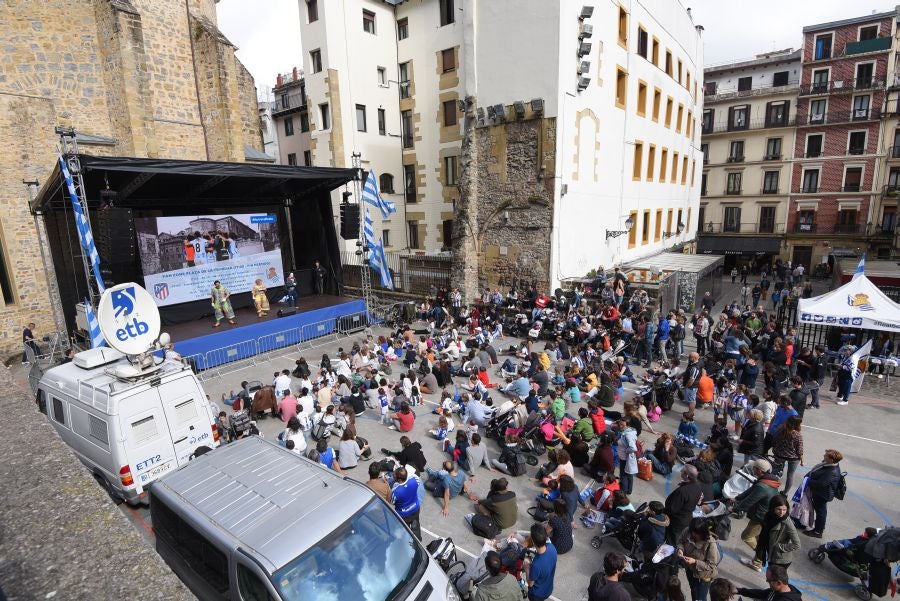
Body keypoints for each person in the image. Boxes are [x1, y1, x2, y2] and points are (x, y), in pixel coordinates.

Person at [731, 459, 781, 552]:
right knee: (759, 538)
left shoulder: (762, 486)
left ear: (759, 470)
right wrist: (737, 498)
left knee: (746, 537)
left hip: (760, 517)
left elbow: (748, 502)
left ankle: (761, 555)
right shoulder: (768, 480)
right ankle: (758, 561)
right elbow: (750, 491)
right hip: (767, 515)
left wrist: (734, 509)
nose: (752, 469)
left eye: (754, 467)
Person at [742, 494, 800, 572]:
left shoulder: (788, 524)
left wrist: (778, 547)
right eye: (778, 509)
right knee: (771, 580)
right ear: (772, 508)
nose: (781, 512)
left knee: (775, 581)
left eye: (784, 509)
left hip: (780, 560)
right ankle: (756, 563)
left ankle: (757, 563)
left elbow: (797, 545)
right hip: (772, 556)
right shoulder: (769, 516)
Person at [803, 448, 844, 538]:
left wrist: (808, 481)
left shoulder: (832, 471)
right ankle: (819, 528)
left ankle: (818, 531)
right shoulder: (829, 464)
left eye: (826, 455)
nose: (823, 456)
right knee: (821, 511)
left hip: (822, 495)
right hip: (820, 493)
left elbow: (821, 483)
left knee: (821, 512)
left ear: (831, 459)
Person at [677, 517, 720, 601]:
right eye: (692, 532)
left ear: (702, 533)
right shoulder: (687, 531)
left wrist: (695, 562)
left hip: (702, 577)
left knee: (700, 597)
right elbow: (680, 541)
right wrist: (680, 549)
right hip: (690, 570)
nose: (692, 535)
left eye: (696, 533)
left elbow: (711, 566)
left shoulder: (711, 544)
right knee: (693, 590)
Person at [665, 465, 703, 544]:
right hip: (687, 519)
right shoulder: (698, 486)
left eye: (682, 471)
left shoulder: (683, 491)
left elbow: (673, 509)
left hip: (676, 522)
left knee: (673, 543)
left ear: (687, 475)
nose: (680, 472)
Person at [772, 416, 804, 494]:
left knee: (776, 472)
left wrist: (775, 449)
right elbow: (800, 450)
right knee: (790, 475)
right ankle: (785, 492)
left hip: (779, 455)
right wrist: (802, 460)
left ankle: (772, 488)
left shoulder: (780, 429)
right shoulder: (797, 435)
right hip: (793, 458)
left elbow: (774, 440)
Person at [526, 523, 557, 601]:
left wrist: (527, 568)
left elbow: (530, 584)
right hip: (548, 588)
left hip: (536, 595)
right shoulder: (552, 547)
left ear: (533, 541)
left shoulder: (536, 565)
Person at [737, 565, 803, 601]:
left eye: (769, 580)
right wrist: (739, 591)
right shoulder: (783, 588)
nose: (766, 581)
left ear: (778, 583)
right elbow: (762, 593)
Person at [390, 466, 422, 538]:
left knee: (405, 530)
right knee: (416, 524)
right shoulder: (414, 479)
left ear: (399, 479)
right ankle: (418, 539)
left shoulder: (395, 491)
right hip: (415, 508)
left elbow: (392, 502)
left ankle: (407, 544)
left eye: (394, 475)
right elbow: (417, 482)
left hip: (404, 515)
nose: (393, 476)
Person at [615, 419, 638, 495]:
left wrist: (625, 451)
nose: (620, 426)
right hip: (627, 457)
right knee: (629, 473)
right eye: (620, 424)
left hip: (625, 458)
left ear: (627, 425)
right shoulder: (630, 432)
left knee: (623, 474)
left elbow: (633, 448)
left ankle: (623, 491)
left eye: (622, 425)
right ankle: (629, 490)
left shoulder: (627, 435)